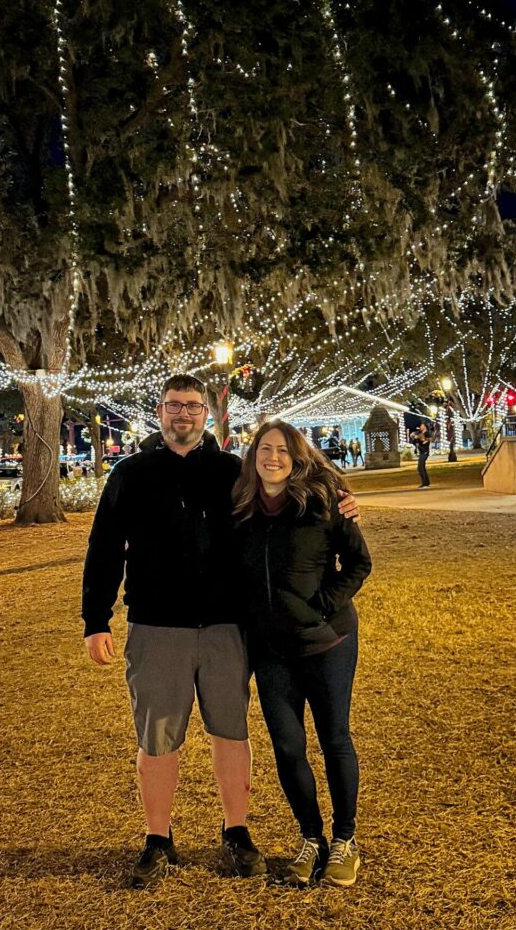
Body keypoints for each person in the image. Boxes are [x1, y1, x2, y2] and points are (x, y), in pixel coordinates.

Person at [81, 375, 359, 888]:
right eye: (172, 406)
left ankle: (237, 832)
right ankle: (157, 838)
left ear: (206, 414)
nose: (181, 415)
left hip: (227, 627)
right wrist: (94, 620)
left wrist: (339, 498)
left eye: (191, 406)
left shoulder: (233, 473)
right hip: (156, 625)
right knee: (158, 736)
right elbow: (103, 550)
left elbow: (287, 498)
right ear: (159, 411)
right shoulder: (130, 474)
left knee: (231, 731)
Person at [232, 421, 372, 888]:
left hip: (327, 642)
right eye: (264, 449)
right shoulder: (242, 510)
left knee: (334, 738)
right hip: (271, 652)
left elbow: (359, 564)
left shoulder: (324, 501)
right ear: (253, 456)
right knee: (288, 747)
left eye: (282, 450)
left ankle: (346, 840)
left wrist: (320, 609)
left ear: (297, 457)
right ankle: (311, 839)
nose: (273, 457)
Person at [409, 420, 431, 488]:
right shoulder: (419, 433)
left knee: (420, 467)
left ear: (425, 427)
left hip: (425, 452)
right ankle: (426, 482)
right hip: (421, 452)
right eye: (420, 426)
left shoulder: (427, 433)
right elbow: (413, 437)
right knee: (421, 467)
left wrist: (420, 437)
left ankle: (425, 483)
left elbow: (426, 441)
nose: (421, 427)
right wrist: (413, 436)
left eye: (422, 426)